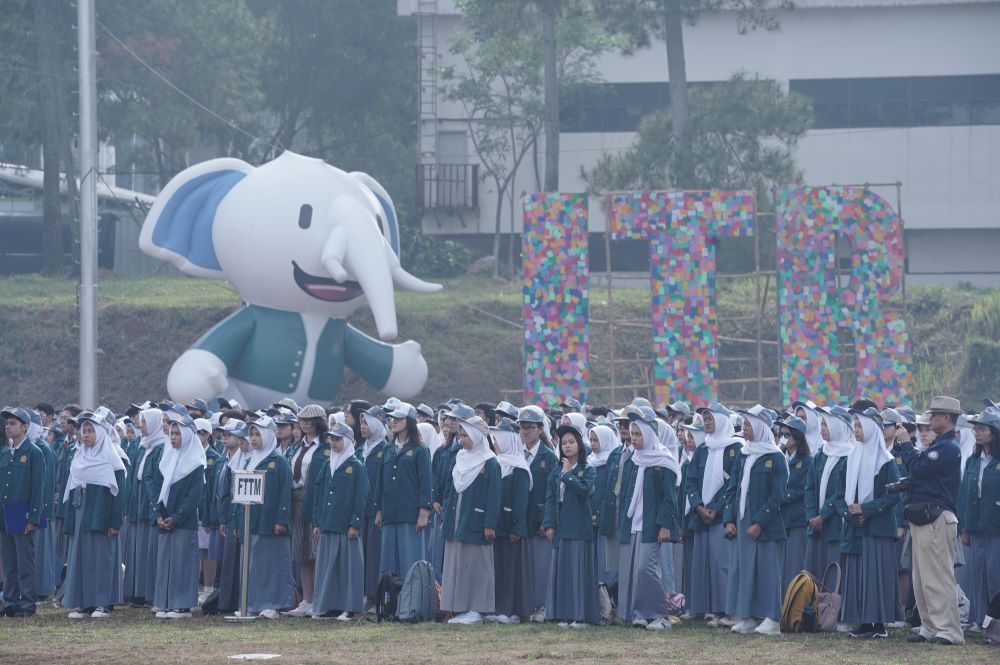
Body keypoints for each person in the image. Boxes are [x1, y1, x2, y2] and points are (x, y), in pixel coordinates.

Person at [901, 396, 965, 646]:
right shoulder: (938, 446)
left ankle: (949, 630)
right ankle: (929, 626)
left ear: (947, 418)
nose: (930, 420)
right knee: (921, 578)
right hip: (924, 517)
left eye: (935, 415)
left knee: (938, 576)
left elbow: (917, 468)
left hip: (937, 517)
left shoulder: (948, 447)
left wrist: (906, 444)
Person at [723, 406, 788, 637]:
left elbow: (778, 495)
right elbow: (733, 488)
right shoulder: (744, 454)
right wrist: (728, 519)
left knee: (768, 571)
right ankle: (747, 617)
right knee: (743, 569)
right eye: (744, 424)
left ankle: (772, 618)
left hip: (765, 525)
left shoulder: (775, 457)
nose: (745, 428)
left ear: (761, 428)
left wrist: (760, 522)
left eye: (749, 425)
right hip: (742, 521)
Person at [840, 408, 901, 639]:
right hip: (858, 527)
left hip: (879, 528)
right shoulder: (853, 457)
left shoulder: (886, 461)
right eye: (854, 426)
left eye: (859, 426)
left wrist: (866, 509)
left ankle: (880, 625)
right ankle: (865, 623)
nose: (856, 431)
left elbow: (894, 495)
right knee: (861, 575)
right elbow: (843, 494)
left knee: (877, 575)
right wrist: (854, 514)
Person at [60, 412, 127, 618]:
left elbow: (119, 495)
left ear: (99, 432)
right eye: (83, 431)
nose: (86, 435)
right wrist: (70, 521)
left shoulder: (111, 459)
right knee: (82, 558)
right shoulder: (79, 457)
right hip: (81, 514)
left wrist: (114, 522)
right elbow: (71, 491)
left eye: (90, 431)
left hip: (101, 516)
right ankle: (85, 602)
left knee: (102, 559)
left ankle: (102, 603)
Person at [616, 410, 679, 631]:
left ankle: (659, 615)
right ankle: (639, 613)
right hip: (633, 524)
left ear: (650, 435)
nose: (633, 438)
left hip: (652, 525)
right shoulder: (635, 460)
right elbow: (626, 494)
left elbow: (669, 499)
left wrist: (664, 526)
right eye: (632, 433)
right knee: (634, 570)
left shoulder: (664, 461)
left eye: (638, 434)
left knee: (647, 569)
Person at [686, 402, 743, 625]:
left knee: (723, 564)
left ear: (721, 421)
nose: (707, 423)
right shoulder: (703, 449)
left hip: (721, 516)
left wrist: (716, 509)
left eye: (710, 419)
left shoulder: (735, 448)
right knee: (706, 563)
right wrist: (699, 506)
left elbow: (733, 484)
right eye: (705, 420)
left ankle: (728, 610)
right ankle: (712, 608)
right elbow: (691, 481)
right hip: (702, 515)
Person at [441, 415, 501, 625]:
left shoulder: (490, 462)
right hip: (456, 519)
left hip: (476, 521)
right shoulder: (460, 458)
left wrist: (489, 524)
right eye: (460, 435)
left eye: (466, 435)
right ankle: (459, 607)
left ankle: (477, 609)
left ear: (477, 436)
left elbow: (494, 497)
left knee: (476, 564)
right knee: (457, 564)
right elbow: (450, 490)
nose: (461, 440)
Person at [543, 425, 600, 628]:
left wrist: (568, 475)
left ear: (579, 445)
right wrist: (548, 524)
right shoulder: (556, 470)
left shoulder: (588, 468)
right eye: (563, 443)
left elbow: (585, 491)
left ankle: (581, 616)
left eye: (571, 442)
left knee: (578, 571)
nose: (566, 446)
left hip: (579, 525)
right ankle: (565, 614)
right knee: (564, 571)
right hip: (561, 525)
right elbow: (550, 499)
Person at [311, 423, 368, 621]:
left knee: (349, 568)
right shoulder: (328, 464)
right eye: (332, 439)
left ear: (348, 441)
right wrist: (317, 522)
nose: (333, 443)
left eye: (337, 439)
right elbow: (319, 493)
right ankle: (328, 605)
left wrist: (355, 523)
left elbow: (360, 497)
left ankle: (349, 607)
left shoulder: (356, 466)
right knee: (327, 567)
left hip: (346, 526)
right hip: (328, 523)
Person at [153, 414, 206, 619]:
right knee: (166, 561)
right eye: (172, 433)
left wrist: (177, 517)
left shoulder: (196, 463)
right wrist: (158, 513)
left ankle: (182, 606)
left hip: (183, 522)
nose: (173, 437)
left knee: (182, 563)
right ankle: (166, 602)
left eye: (177, 434)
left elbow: (193, 496)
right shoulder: (167, 458)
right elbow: (159, 489)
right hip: (166, 519)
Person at [241, 417, 294, 619]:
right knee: (254, 564)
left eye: (258, 434)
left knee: (273, 564)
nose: (253, 439)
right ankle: (253, 602)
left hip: (270, 522)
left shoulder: (279, 462)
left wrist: (281, 519)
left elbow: (284, 493)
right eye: (252, 434)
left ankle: (273, 603)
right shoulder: (248, 461)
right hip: (252, 521)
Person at [374, 403, 432, 579]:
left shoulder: (420, 450)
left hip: (410, 514)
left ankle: (411, 603)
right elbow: (380, 482)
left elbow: (425, 482)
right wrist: (378, 509)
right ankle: (389, 602)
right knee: (389, 563)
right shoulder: (387, 448)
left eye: (399, 418)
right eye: (393, 418)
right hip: (390, 513)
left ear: (410, 421)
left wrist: (424, 512)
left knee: (410, 562)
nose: (394, 422)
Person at [0, 407, 46, 617]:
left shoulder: (33, 452)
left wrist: (34, 517)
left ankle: (27, 603)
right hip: (4, 512)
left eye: (13, 423)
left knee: (25, 562)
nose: (8, 427)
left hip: (22, 511)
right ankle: (10, 601)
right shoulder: (4, 452)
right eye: (7, 423)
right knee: (9, 562)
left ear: (25, 427)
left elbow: (39, 488)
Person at [487, 418, 533, 624]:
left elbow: (521, 502)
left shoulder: (519, 468)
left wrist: (517, 527)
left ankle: (512, 610)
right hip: (498, 527)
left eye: (498, 439)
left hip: (512, 529)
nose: (494, 443)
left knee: (512, 571)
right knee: (498, 569)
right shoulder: (497, 464)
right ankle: (498, 608)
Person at [283, 404, 326, 618]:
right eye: (302, 420)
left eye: (310, 420)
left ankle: (319, 598)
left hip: (315, 500)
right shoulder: (296, 446)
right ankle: (306, 600)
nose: (305, 424)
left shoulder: (325, 447)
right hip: (295, 499)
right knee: (301, 550)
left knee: (316, 551)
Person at [959, 410, 1000, 631]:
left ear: (993, 433)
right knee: (977, 573)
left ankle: (995, 621)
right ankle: (978, 618)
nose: (976, 432)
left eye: (982, 429)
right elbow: (964, 495)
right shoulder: (973, 461)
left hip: (995, 527)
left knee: (995, 574)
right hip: (976, 526)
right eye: (975, 429)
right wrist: (965, 527)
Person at [803, 407, 853, 582]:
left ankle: (831, 609)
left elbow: (841, 491)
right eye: (821, 424)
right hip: (816, 525)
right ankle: (812, 608)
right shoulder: (820, 454)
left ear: (838, 427)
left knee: (833, 571)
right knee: (813, 572)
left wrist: (822, 516)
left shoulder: (849, 456)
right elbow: (809, 487)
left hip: (835, 524)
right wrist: (812, 516)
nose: (822, 428)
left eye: (826, 424)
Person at [519, 404, 558, 622]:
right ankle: (525, 605)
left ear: (540, 429)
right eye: (523, 427)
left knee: (542, 566)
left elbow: (552, 493)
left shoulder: (549, 456)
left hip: (540, 519)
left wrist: (548, 520)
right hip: (521, 519)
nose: (526, 432)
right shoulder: (516, 452)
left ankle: (543, 606)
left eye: (530, 428)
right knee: (524, 566)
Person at [358, 406, 389, 612]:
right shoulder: (360, 449)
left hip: (376, 509)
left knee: (375, 554)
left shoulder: (385, 449)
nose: (362, 427)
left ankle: (373, 596)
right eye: (361, 423)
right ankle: (362, 594)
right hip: (360, 509)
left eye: (367, 423)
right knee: (361, 554)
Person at [778, 416, 812, 592]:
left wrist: (781, 495)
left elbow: (803, 489)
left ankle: (794, 602)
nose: (783, 437)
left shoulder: (807, 460)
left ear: (797, 437)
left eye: (787, 434)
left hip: (797, 517)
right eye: (781, 433)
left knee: (794, 563)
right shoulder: (779, 456)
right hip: (780, 518)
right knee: (780, 565)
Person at [590, 423, 623, 589]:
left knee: (607, 560)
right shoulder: (589, 462)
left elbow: (609, 492)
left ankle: (610, 595)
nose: (593, 444)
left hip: (605, 518)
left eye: (596, 440)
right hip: (589, 519)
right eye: (591, 440)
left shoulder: (612, 460)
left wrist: (600, 514)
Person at [196, 418, 222, 604]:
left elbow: (213, 490)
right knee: (195, 551)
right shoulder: (190, 453)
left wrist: (209, 515)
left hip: (205, 510)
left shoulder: (213, 457)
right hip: (193, 508)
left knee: (207, 552)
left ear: (207, 435)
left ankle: (208, 588)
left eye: (201, 433)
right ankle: (197, 587)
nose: (198, 437)